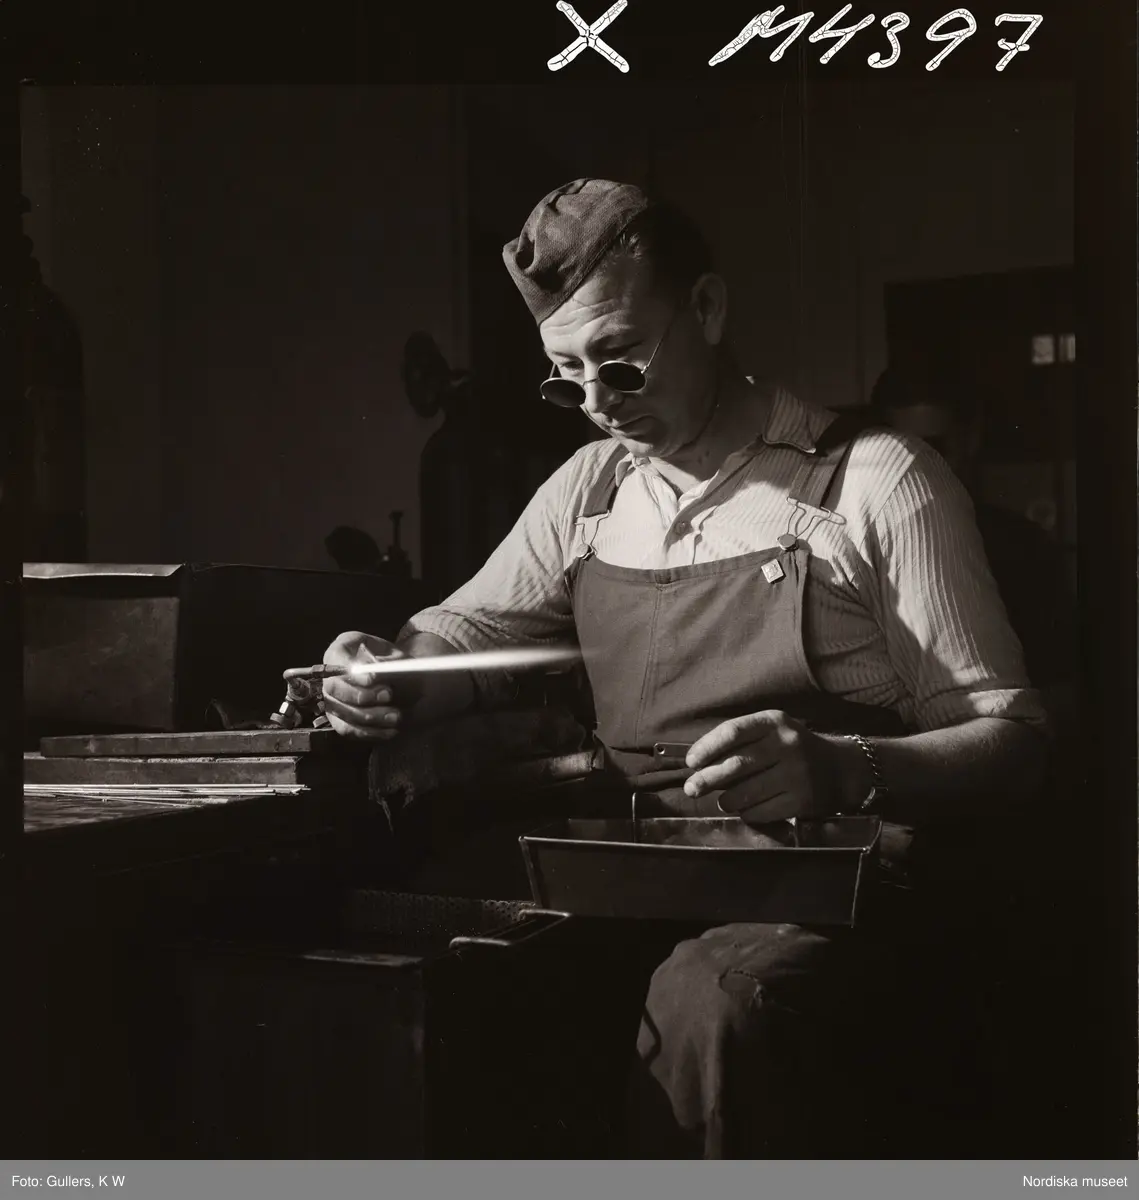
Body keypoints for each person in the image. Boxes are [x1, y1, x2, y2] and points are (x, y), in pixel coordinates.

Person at [320, 179, 1049, 1157]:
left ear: (705, 308)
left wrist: (845, 767)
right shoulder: (591, 488)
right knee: (438, 953)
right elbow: (467, 629)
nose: (595, 406)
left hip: (833, 887)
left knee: (711, 1006)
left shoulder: (876, 480)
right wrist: (390, 676)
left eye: (619, 362)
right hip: (638, 872)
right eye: (564, 377)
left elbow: (1014, 742)